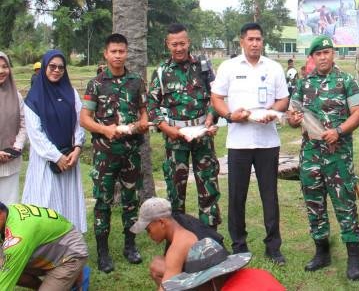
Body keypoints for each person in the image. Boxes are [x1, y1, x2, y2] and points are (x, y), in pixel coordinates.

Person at [288, 34, 359, 280]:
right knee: (314, 203)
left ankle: (354, 258)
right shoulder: (303, 83)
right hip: (311, 155)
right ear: (312, 58)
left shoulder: (346, 81)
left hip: (338, 156)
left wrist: (339, 131)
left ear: (333, 54)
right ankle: (322, 252)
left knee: (345, 204)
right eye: (318, 54)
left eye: (327, 53)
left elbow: (358, 113)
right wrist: (293, 119)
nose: (323, 57)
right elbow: (292, 116)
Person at [210, 23, 289, 263]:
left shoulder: (273, 67)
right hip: (239, 142)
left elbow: (283, 99)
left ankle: (273, 247)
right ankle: (239, 246)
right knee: (237, 196)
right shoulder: (229, 67)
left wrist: (272, 112)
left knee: (269, 195)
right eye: (250, 39)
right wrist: (230, 116)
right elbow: (216, 97)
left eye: (259, 39)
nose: (255, 43)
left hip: (267, 142)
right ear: (242, 41)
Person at [80, 33, 149, 273]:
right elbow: (84, 119)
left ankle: (130, 246)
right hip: (105, 153)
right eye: (114, 52)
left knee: (131, 201)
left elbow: (144, 110)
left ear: (127, 52)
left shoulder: (136, 81)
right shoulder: (96, 84)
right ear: (106, 54)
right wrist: (104, 130)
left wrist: (142, 122)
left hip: (131, 152)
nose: (118, 56)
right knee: (103, 202)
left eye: (122, 51)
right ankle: (103, 252)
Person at [148, 24, 221, 229]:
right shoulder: (162, 72)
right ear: (167, 45)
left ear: (188, 42)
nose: (179, 48)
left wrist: (211, 119)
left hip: (202, 135)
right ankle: (176, 235)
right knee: (175, 191)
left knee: (208, 187)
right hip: (175, 138)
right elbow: (151, 105)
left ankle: (210, 236)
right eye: (174, 44)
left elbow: (217, 96)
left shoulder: (203, 67)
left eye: (182, 43)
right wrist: (166, 129)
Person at [22, 49, 87, 232]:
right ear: (44, 67)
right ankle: (43, 251)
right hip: (45, 162)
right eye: (52, 66)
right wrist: (56, 156)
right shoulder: (34, 98)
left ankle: (69, 248)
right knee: (45, 203)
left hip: (69, 159)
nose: (57, 70)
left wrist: (77, 148)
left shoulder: (71, 93)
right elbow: (35, 134)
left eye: (61, 67)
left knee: (68, 203)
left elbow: (79, 121)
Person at [132, 197, 228, 288]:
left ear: (161, 222)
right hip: (218, 272)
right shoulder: (180, 224)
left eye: (148, 229)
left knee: (157, 267)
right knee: (158, 263)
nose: (149, 235)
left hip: (213, 281)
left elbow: (167, 288)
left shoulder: (178, 244)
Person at [0, 201, 89, 290]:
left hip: (70, 254)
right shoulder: (8, 211)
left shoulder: (18, 236)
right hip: (50, 250)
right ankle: (48, 286)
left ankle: (75, 277)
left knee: (8, 265)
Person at [0, 51, 27, 205]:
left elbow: (24, 125)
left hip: (10, 163)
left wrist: (15, 149)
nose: (1, 71)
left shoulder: (16, 95)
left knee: (9, 211)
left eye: (5, 66)